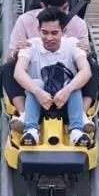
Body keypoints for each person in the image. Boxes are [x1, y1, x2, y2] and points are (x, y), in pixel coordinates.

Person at [1, 0, 92, 115]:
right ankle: (23, 112)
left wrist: (85, 51)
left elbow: (85, 57)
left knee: (93, 68)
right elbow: (9, 57)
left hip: (67, 78)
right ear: (43, 6)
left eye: (65, 9)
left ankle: (82, 113)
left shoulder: (78, 24)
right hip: (34, 77)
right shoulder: (25, 20)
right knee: (8, 67)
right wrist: (16, 51)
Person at [13, 9, 93, 147]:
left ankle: (76, 131)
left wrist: (67, 90)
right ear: (38, 29)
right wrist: (38, 92)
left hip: (66, 102)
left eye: (54, 33)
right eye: (44, 32)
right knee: (36, 83)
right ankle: (31, 129)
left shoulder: (73, 44)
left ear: (64, 31)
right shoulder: (31, 45)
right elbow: (18, 72)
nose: (49, 38)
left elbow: (86, 71)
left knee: (74, 83)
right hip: (39, 102)